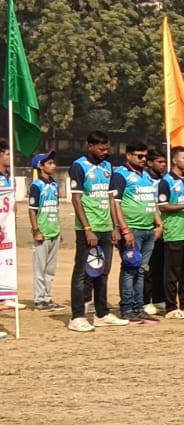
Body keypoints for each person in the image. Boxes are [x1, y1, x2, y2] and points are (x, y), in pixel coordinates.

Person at [67, 131, 118, 331]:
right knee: (82, 272)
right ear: (90, 146)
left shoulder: (107, 167)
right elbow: (76, 199)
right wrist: (87, 229)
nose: (106, 152)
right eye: (101, 148)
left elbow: (111, 198)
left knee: (103, 272)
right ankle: (77, 316)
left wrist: (114, 226)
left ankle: (102, 313)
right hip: (88, 229)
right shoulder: (79, 166)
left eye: (107, 148)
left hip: (106, 227)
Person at [109, 142, 162, 325]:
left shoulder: (146, 175)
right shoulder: (120, 175)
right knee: (130, 269)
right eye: (139, 156)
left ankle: (139, 308)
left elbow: (151, 201)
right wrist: (124, 230)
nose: (143, 159)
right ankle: (127, 308)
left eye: (145, 156)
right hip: (132, 231)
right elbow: (115, 203)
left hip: (148, 230)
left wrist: (159, 223)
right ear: (129, 156)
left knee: (141, 270)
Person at [155, 146, 184, 319]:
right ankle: (171, 307)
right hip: (174, 232)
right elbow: (163, 206)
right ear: (174, 160)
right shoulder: (166, 181)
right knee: (172, 272)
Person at [27, 152, 63, 312]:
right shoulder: (36, 186)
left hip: (54, 231)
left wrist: (58, 230)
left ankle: (47, 298)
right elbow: (32, 210)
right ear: (40, 166)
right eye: (49, 163)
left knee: (50, 269)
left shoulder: (54, 184)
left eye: (53, 163)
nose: (53, 166)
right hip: (42, 233)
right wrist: (36, 230)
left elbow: (55, 209)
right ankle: (39, 299)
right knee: (40, 269)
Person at [143, 151, 168, 316]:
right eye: (159, 162)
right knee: (146, 267)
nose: (163, 165)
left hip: (164, 228)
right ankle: (144, 300)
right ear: (150, 163)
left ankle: (159, 298)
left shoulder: (165, 180)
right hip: (148, 227)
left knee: (161, 265)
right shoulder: (144, 179)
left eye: (164, 162)